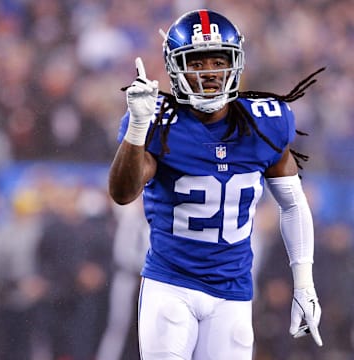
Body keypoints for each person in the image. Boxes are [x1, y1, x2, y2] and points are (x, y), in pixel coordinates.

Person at [108, 9, 324, 360]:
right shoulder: (158, 120)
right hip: (170, 282)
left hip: (233, 291)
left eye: (217, 60)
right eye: (196, 62)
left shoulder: (265, 121)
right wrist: (137, 127)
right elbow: (122, 193)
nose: (209, 72)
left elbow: (293, 204)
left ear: (236, 63)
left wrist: (304, 283)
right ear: (176, 68)